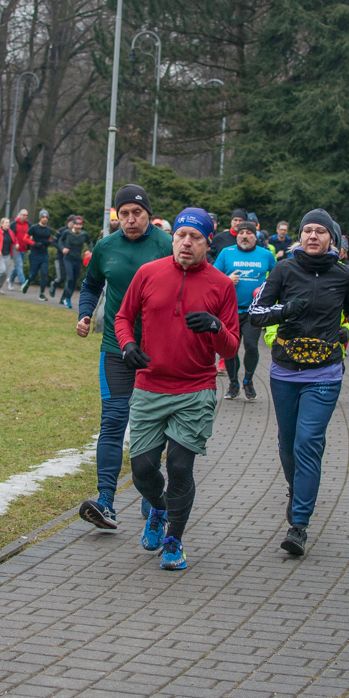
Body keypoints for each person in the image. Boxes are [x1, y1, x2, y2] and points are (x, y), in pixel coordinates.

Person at [114, 207, 239, 570]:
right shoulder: (148, 273)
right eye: (181, 235)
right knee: (142, 469)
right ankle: (158, 507)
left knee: (181, 468)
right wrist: (127, 345)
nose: (186, 242)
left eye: (195, 237)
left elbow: (231, 348)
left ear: (207, 243)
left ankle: (174, 540)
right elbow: (124, 317)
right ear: (173, 238)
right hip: (150, 385)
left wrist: (216, 326)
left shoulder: (220, 285)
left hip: (196, 389)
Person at [249, 209, 349, 557]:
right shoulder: (284, 269)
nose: (312, 236)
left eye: (320, 231)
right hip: (285, 371)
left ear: (333, 238)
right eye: (307, 231)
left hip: (325, 373)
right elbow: (255, 315)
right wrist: (284, 311)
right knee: (287, 444)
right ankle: (295, 488)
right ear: (300, 237)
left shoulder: (345, 275)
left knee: (308, 443)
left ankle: (299, 525)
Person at [75, 185, 173, 530]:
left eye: (137, 213)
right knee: (114, 421)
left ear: (148, 213)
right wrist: (85, 313)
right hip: (117, 349)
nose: (130, 220)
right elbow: (91, 285)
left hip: (160, 351)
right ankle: (105, 501)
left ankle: (152, 494)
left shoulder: (166, 245)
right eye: (124, 214)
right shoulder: (106, 247)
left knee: (153, 426)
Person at [213, 219, 276, 401]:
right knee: (229, 350)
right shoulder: (227, 253)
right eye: (241, 233)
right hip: (230, 311)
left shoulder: (265, 255)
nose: (245, 236)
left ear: (255, 236)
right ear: (237, 236)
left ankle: (248, 380)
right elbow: (212, 276)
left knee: (250, 345)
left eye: (249, 233)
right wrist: (226, 279)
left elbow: (278, 276)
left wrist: (268, 288)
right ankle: (234, 383)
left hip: (254, 311)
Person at [57, 215, 91, 310]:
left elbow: (90, 243)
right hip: (68, 259)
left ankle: (66, 297)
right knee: (70, 278)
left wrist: (88, 250)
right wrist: (63, 248)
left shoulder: (84, 234)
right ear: (73, 225)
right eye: (76, 224)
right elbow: (60, 240)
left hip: (77, 259)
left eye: (80, 225)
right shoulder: (67, 233)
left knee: (74, 280)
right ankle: (67, 299)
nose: (78, 226)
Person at [25, 209, 54, 299]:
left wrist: (49, 242)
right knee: (34, 274)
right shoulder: (34, 228)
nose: (45, 219)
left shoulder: (48, 229)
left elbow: (49, 239)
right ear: (40, 218)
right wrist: (34, 244)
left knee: (44, 273)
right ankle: (28, 281)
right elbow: (25, 238)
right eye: (43, 217)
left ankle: (41, 293)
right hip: (35, 254)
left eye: (46, 217)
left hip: (44, 254)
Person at [0, 217, 15, 294]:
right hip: (0, 255)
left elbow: (14, 239)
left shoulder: (10, 232)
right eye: (6, 222)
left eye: (8, 222)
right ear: (2, 224)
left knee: (6, 273)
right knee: (2, 271)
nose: (8, 224)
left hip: (7, 255)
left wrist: (16, 244)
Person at [9, 208, 31, 290]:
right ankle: (23, 283)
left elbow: (30, 234)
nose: (25, 217)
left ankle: (11, 280)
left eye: (26, 215)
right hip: (16, 248)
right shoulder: (14, 224)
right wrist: (14, 243)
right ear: (20, 215)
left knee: (18, 267)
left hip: (24, 248)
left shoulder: (28, 224)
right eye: (23, 215)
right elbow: (11, 234)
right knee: (20, 265)